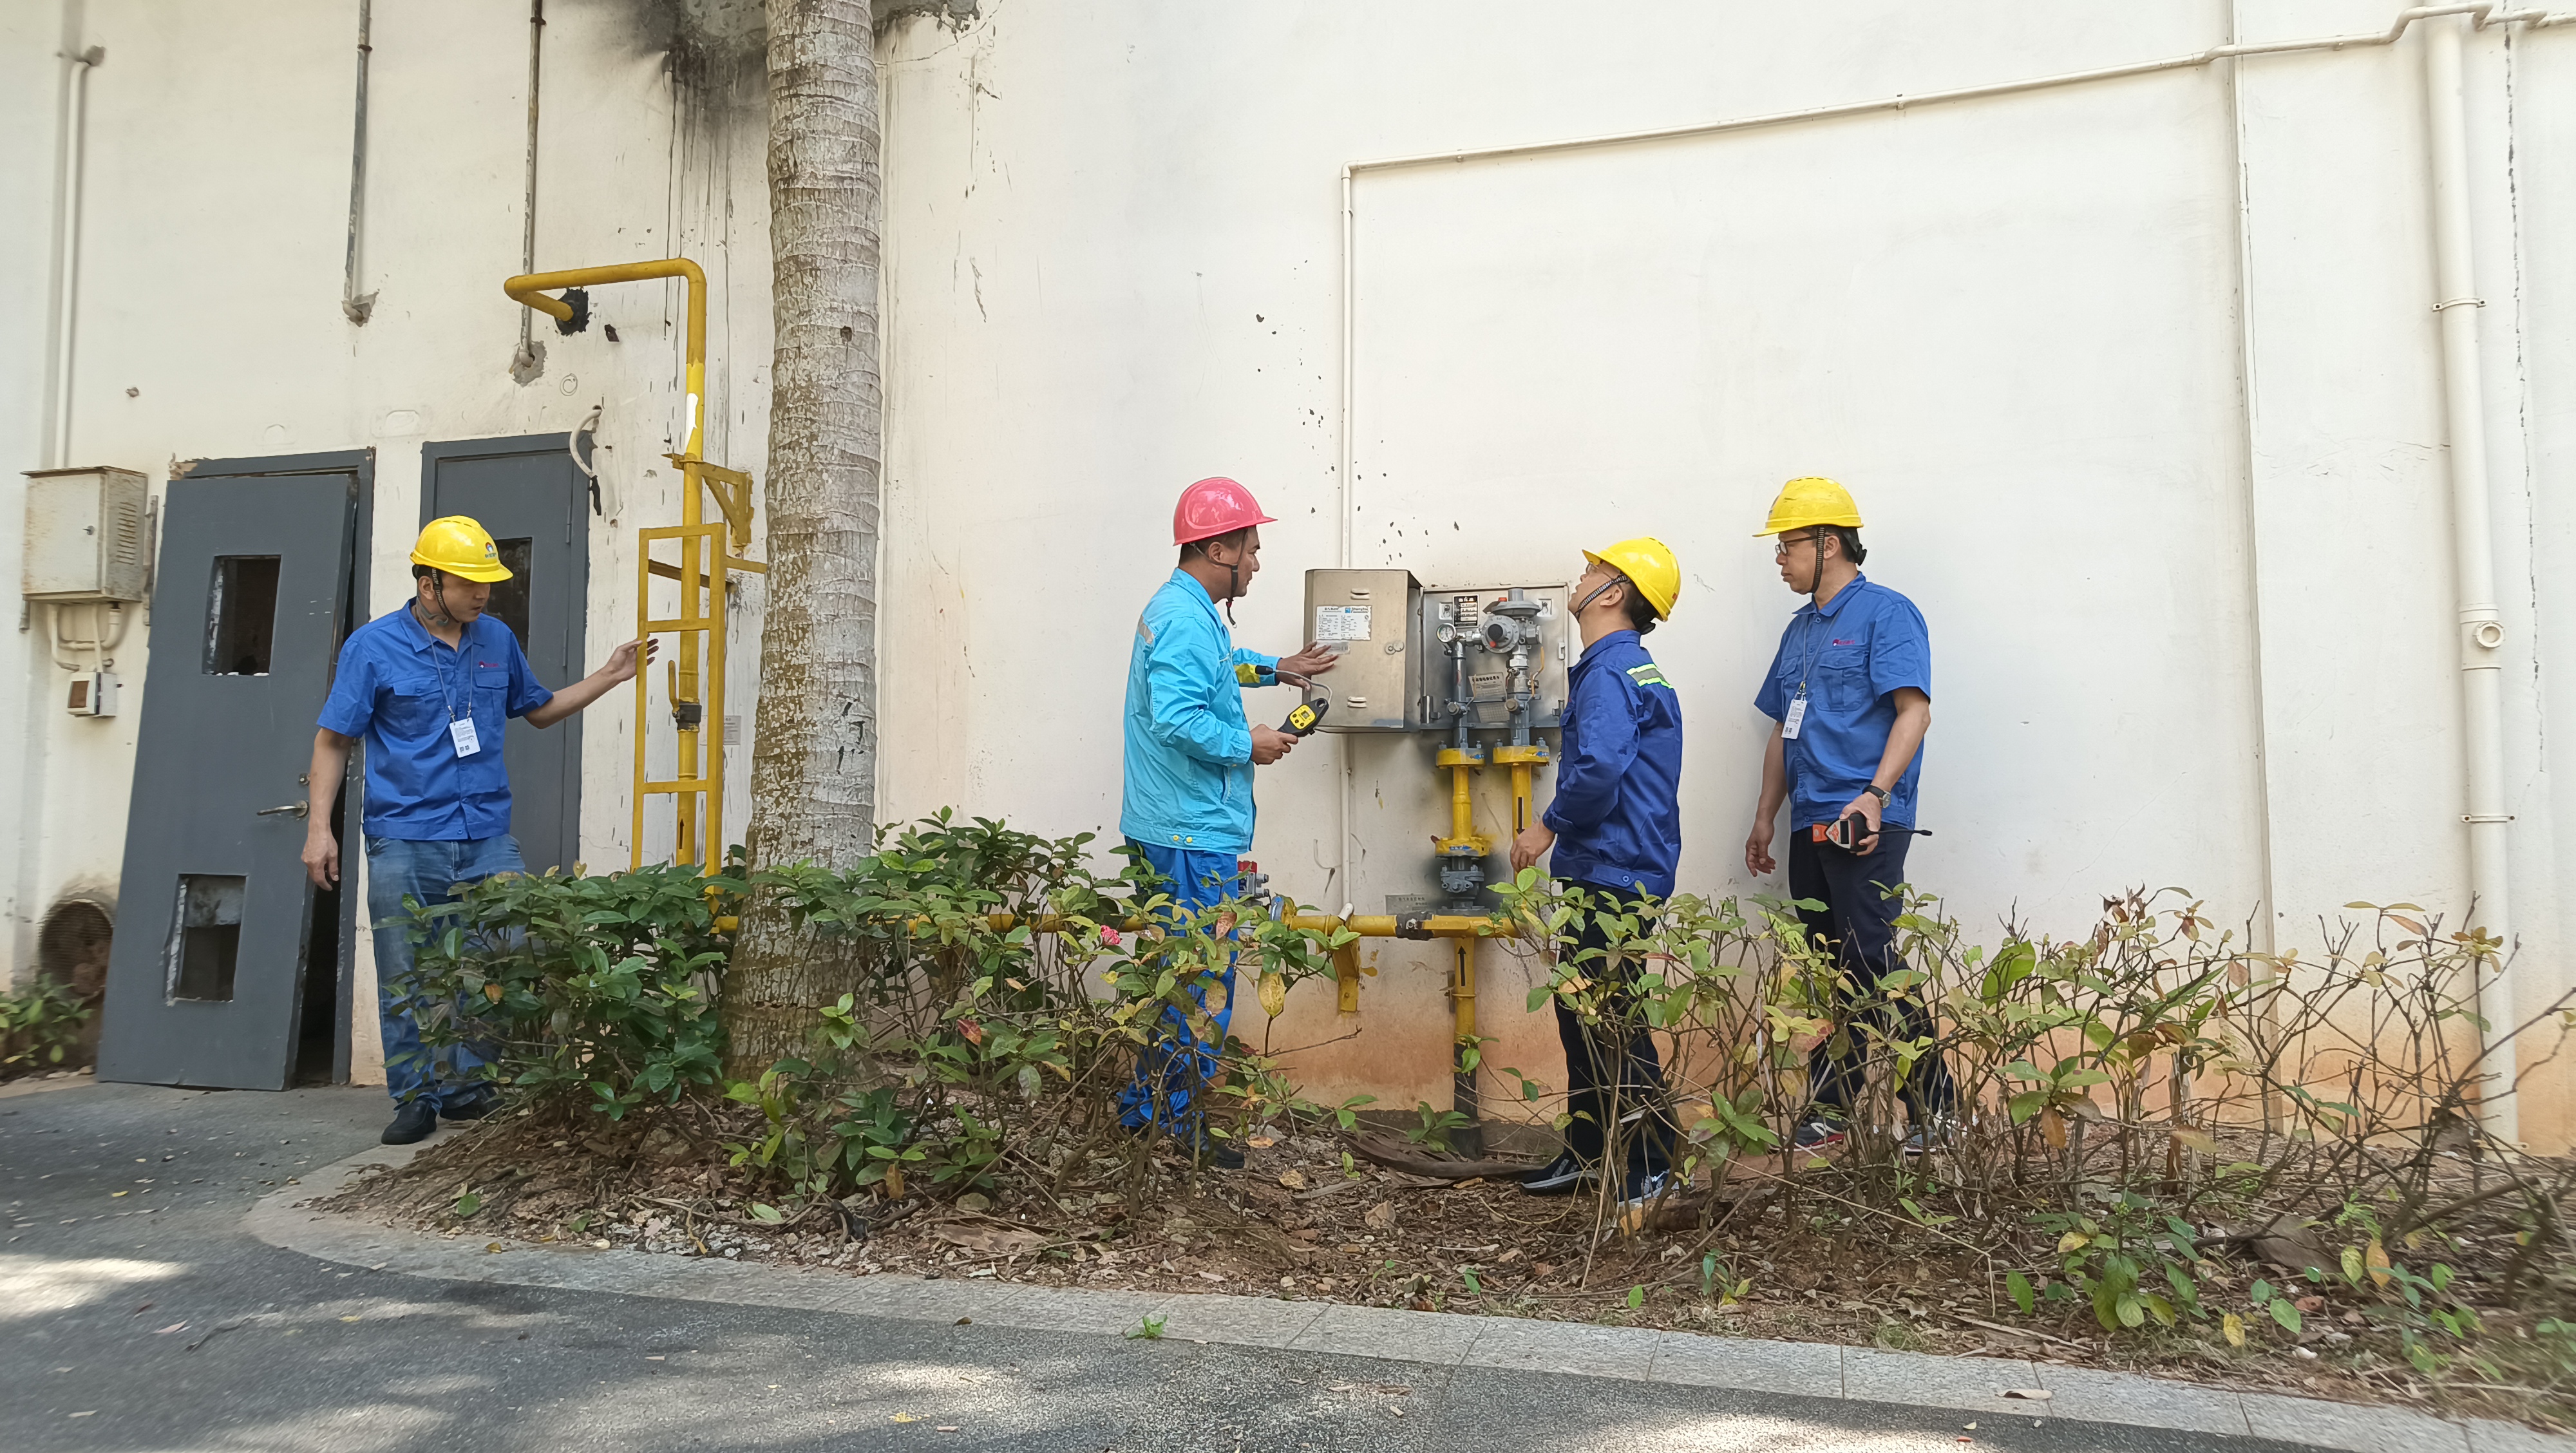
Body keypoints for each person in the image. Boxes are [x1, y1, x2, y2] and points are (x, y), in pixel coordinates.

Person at [301, 517, 654, 1146]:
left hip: (487, 833)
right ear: (428, 584)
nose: (483, 594)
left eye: (488, 582)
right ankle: (416, 1098)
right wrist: (318, 831)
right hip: (405, 835)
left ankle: (468, 1088)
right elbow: (333, 741)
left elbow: (538, 711)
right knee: (407, 970)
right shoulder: (372, 647)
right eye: (469, 583)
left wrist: (609, 674)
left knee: (503, 954)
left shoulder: (496, 638)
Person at [1115, 477, 1338, 1165]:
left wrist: (1277, 668)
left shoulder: (1189, 609)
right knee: (1202, 977)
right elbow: (1177, 717)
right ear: (1219, 549)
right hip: (1188, 832)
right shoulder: (1186, 618)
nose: (1257, 563)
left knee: (1174, 972)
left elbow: (1218, 668)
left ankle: (1147, 1112)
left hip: (1173, 825)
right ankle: (1176, 1126)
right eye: (1252, 548)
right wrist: (1251, 744)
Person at [1743, 476, 1953, 1154]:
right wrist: (1765, 816)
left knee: (1872, 958)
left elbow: (1914, 712)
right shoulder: (1798, 630)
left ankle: (1938, 1108)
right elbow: (1782, 729)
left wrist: (1875, 796)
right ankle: (1834, 1107)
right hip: (1809, 818)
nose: (1780, 559)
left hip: (1864, 819)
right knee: (1832, 965)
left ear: (1828, 544)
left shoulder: (1888, 614)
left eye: (1788, 546)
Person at [1508, 538, 1685, 1210]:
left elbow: (1600, 768)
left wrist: (1546, 825)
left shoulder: (1612, 672)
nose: (1578, 578)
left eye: (1593, 571)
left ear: (1613, 594)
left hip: (1615, 866)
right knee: (1582, 1007)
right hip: (1616, 863)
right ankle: (1589, 1152)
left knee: (1609, 1014)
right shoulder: (1625, 668)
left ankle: (1652, 1164)